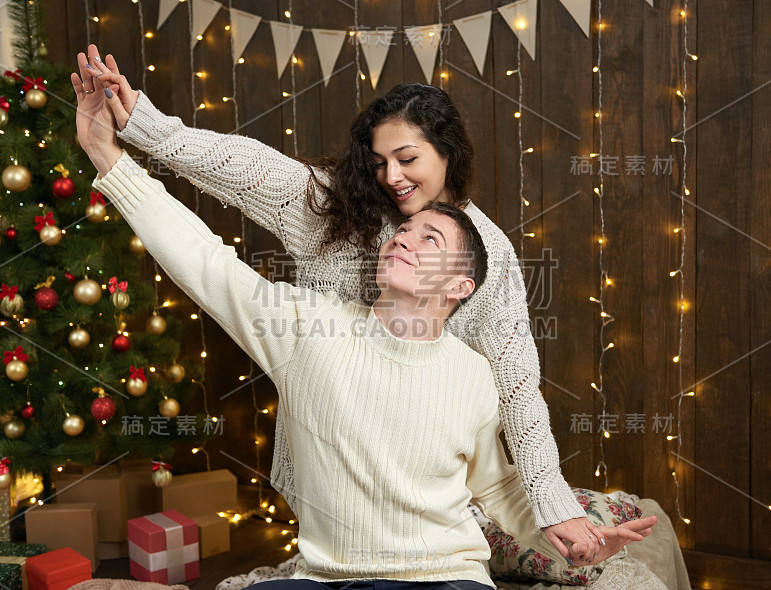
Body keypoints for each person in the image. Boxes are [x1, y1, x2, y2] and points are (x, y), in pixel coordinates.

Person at [72, 75, 657, 589]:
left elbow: (516, 398)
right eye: (379, 163)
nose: (392, 178)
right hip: (334, 455)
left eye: (407, 159)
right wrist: (138, 128)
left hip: (432, 467)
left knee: (561, 533)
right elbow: (241, 175)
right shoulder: (333, 240)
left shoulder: (485, 276)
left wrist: (552, 509)